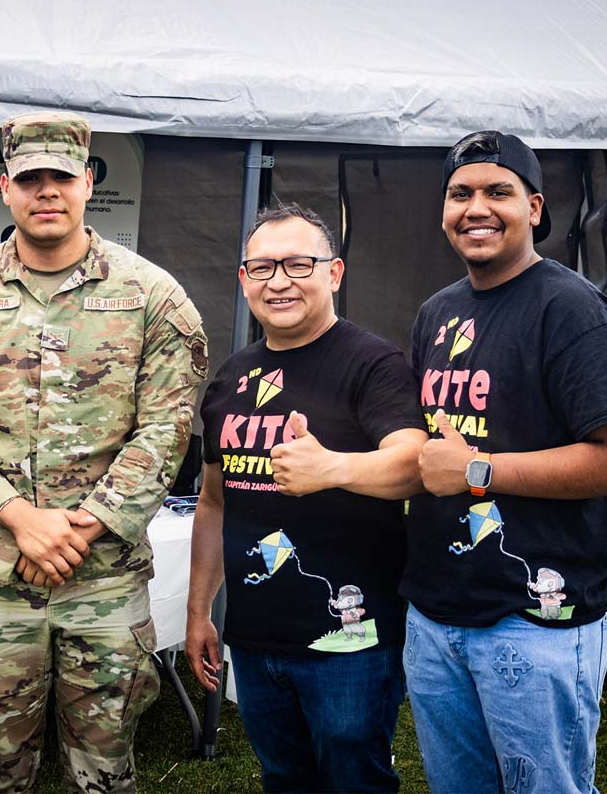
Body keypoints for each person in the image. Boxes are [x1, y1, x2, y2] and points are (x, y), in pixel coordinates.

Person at [0, 112, 208, 793]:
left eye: (62, 178)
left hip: (103, 584)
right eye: (31, 178)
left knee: (103, 774)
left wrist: (85, 523)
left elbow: (165, 429)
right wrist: (19, 518)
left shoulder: (152, 297)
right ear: (5, 187)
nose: (47, 192)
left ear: (89, 183)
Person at [405, 131, 607, 794]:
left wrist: (479, 471)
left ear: (535, 208)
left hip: (535, 617)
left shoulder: (569, 309)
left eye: (497, 192)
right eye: (460, 194)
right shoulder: (437, 313)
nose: (475, 207)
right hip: (437, 613)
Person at [187, 203, 427, 793]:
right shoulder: (229, 378)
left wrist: (331, 467)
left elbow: (414, 465)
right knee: (284, 778)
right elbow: (214, 503)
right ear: (243, 280)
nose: (280, 281)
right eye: (263, 267)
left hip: (351, 637)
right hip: (255, 632)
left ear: (335, 273)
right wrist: (197, 610)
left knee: (355, 779)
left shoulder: (373, 363)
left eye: (299, 264)